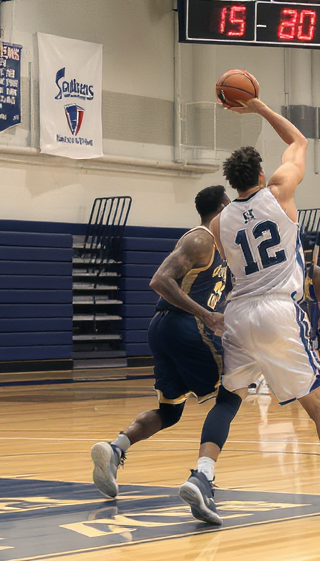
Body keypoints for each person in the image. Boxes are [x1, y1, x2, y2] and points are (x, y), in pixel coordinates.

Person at [213, 96, 320, 517]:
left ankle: (201, 476)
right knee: (319, 406)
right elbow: (299, 140)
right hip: (278, 310)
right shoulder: (280, 191)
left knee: (228, 400)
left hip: (238, 312)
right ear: (259, 173)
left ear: (232, 183)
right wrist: (258, 108)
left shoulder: (220, 222)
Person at [89, 185, 243, 525]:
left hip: (167, 329)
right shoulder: (200, 239)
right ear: (221, 208)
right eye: (230, 206)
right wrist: (206, 315)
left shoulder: (222, 248)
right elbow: (159, 280)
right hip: (184, 326)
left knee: (169, 412)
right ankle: (202, 478)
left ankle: (116, 448)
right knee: (231, 396)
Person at [304, 242, 320, 354]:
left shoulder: (314, 270)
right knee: (311, 340)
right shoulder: (315, 270)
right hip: (307, 308)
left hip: (304, 308)